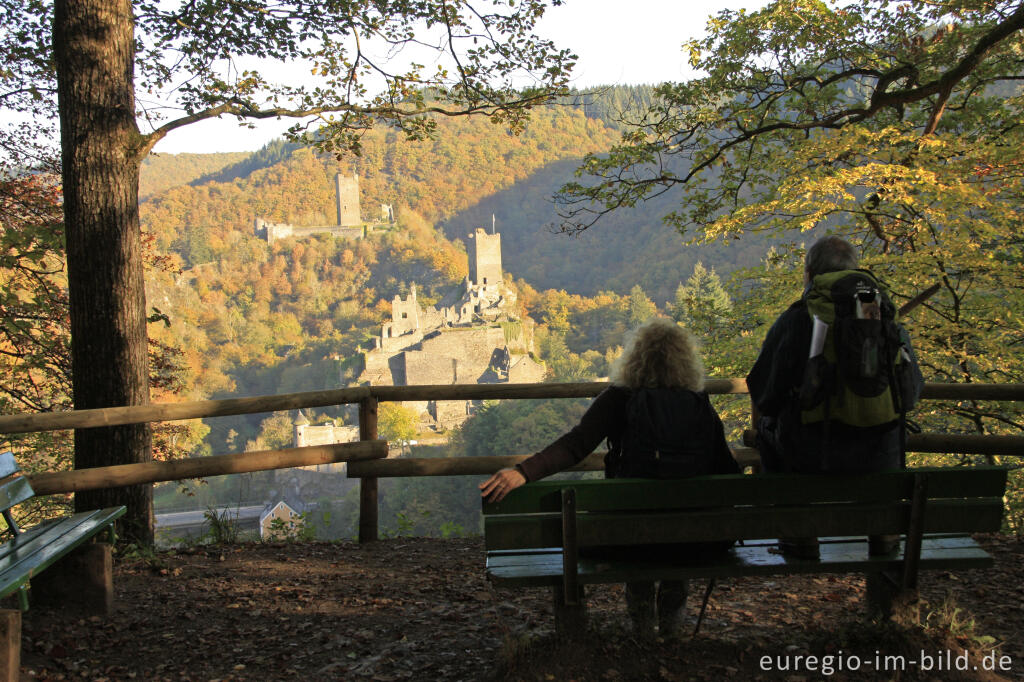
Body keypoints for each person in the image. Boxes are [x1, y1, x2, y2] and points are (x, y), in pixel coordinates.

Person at [480, 317, 739, 638]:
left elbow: (575, 446)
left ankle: (642, 629)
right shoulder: (700, 404)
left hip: (629, 539)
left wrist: (523, 472)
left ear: (636, 357)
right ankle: (671, 632)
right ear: (686, 360)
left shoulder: (619, 399)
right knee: (676, 533)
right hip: (694, 540)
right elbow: (729, 471)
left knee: (636, 530)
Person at [746, 235, 923, 556]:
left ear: (809, 273)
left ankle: (800, 535)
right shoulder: (884, 318)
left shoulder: (799, 317)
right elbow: (912, 392)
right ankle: (883, 536)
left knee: (770, 428)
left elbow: (764, 391)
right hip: (880, 456)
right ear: (855, 270)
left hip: (813, 456)